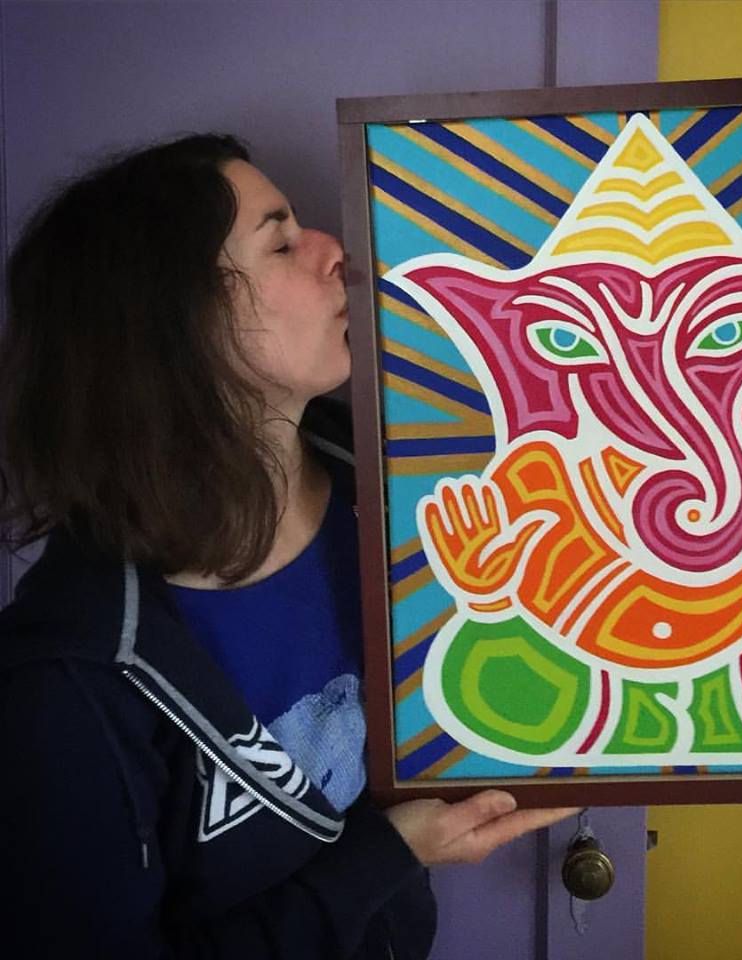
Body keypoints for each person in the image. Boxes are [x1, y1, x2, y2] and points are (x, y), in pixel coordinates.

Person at [0, 134, 577, 958]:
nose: (334, 252)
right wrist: (390, 854)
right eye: (280, 241)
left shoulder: (404, 482)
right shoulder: (69, 676)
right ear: (178, 323)